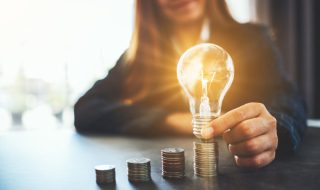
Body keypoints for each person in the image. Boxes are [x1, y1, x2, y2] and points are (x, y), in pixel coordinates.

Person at [74, 0, 307, 168]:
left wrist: (276, 128)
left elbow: (292, 104)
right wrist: (171, 120)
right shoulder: (138, 58)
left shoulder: (254, 41)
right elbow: (86, 108)